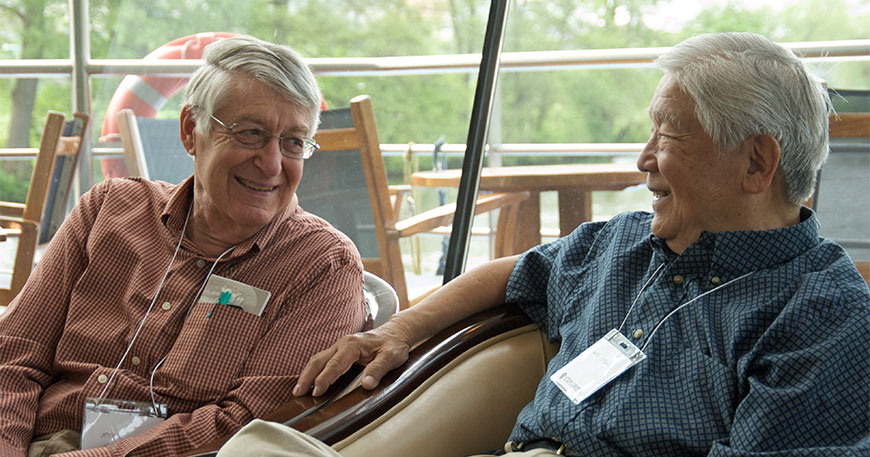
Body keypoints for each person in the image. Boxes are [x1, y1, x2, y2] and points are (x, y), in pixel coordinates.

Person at [220, 32, 870, 456]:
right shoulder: (625, 245)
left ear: (756, 164)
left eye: (667, 135)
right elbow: (515, 273)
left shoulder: (822, 319)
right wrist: (399, 330)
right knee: (260, 450)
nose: (641, 160)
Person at [0, 35, 368, 457]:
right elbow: (13, 358)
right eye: (251, 133)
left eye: (294, 143)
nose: (271, 164)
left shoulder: (322, 266)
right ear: (192, 130)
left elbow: (250, 425)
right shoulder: (108, 210)